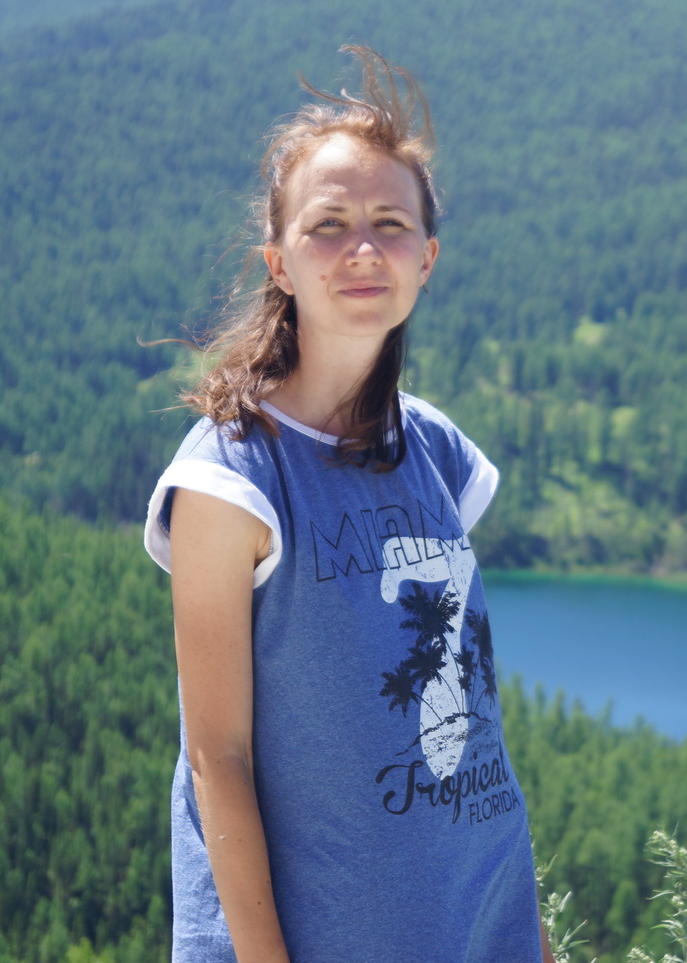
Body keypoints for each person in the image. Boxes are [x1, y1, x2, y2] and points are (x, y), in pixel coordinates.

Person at [142, 47, 552, 963]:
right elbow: (219, 761)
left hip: (481, 922)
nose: (363, 250)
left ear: (428, 258)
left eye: (390, 223)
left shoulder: (436, 451)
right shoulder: (233, 477)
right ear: (278, 263)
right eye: (327, 226)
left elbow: (475, 719)